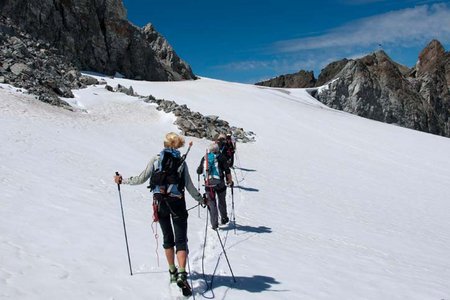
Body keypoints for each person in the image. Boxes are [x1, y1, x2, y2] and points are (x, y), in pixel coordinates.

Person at [114, 132, 204, 295]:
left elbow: (141, 178)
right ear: (177, 146)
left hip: (160, 203)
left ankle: (172, 272)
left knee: (167, 238)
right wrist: (202, 200)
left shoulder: (156, 160)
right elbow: (190, 187)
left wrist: (123, 180)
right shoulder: (181, 163)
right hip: (177, 203)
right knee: (181, 240)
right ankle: (182, 273)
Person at [197, 142, 233, 230]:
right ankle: (224, 218)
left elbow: (199, 171)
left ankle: (214, 224)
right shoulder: (221, 157)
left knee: (212, 203)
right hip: (220, 183)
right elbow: (227, 170)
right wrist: (229, 181)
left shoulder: (205, 157)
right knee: (222, 200)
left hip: (208, 184)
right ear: (217, 149)